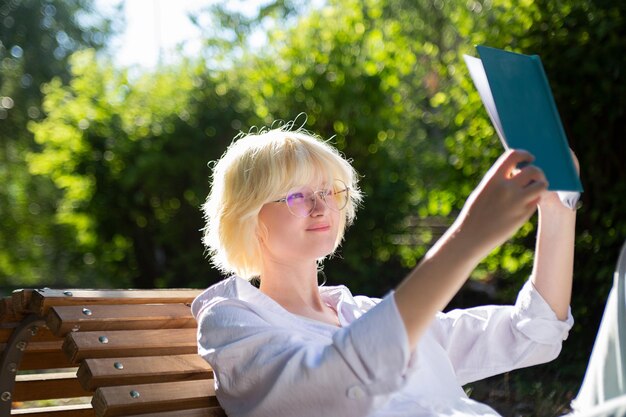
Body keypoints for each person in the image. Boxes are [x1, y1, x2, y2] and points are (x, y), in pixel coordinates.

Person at [191, 121, 577, 417]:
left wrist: (558, 209)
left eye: (328, 191)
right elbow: (334, 386)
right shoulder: (231, 320)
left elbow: (533, 334)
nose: (321, 206)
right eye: (296, 195)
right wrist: (467, 238)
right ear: (249, 218)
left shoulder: (363, 313)